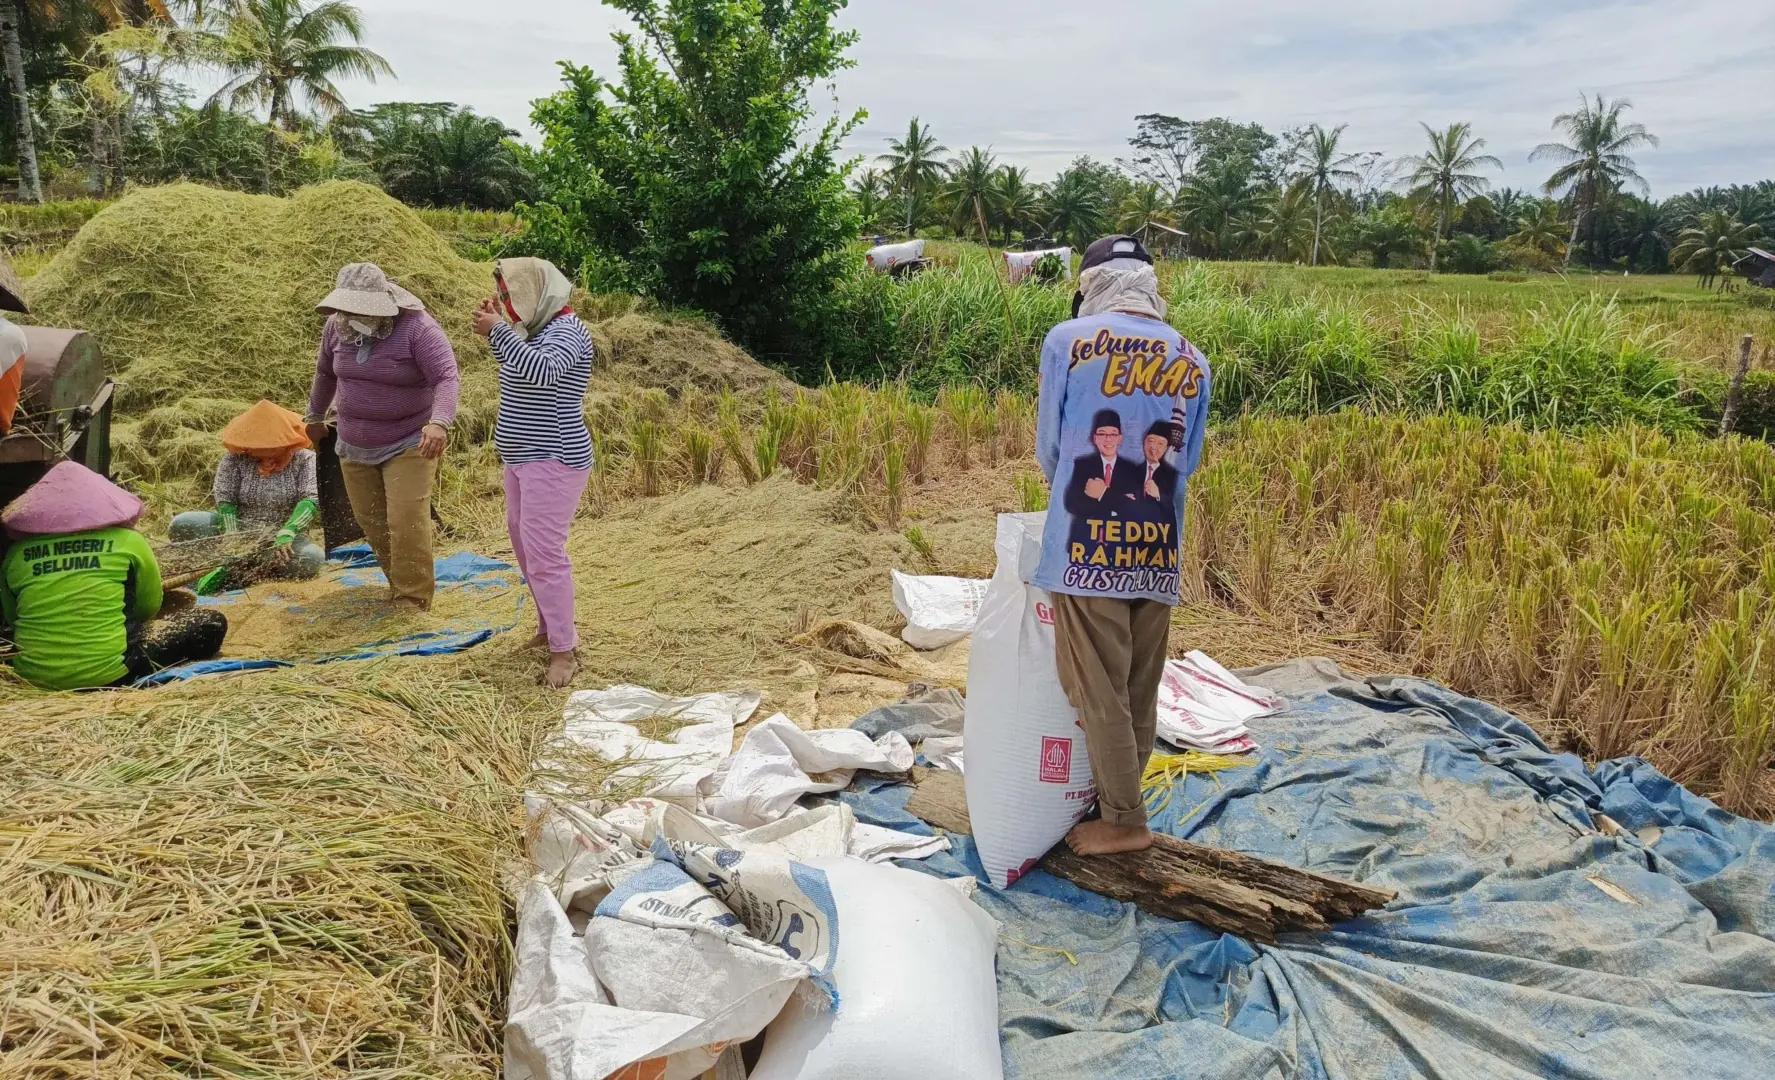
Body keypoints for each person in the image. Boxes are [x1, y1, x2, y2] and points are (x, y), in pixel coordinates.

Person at [1034, 234, 1211, 857]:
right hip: (1159, 538)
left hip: (1088, 542)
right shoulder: (1192, 356)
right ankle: (1121, 801)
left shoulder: (1067, 341)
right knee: (1139, 681)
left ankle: (1124, 822)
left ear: (1092, 283)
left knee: (1095, 685)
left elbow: (1052, 452)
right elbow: (1187, 458)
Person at [304, 263, 459, 611]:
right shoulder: (335, 328)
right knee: (371, 520)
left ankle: (413, 600)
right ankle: (397, 585)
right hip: (353, 442)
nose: (353, 314)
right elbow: (325, 373)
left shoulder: (418, 329)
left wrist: (439, 422)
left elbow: (447, 377)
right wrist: (314, 416)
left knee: (405, 519)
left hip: (409, 440)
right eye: (348, 309)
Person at [471, 257, 594, 689]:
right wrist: (500, 332)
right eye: (503, 296)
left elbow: (542, 373)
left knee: (545, 555)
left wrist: (498, 331)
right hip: (523, 458)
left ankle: (564, 651)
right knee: (526, 550)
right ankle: (547, 629)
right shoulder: (537, 332)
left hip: (553, 459)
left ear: (536, 294)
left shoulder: (566, 332)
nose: (507, 302)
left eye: (511, 295)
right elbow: (523, 366)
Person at [1, 461, 227, 689]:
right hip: (112, 672)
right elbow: (149, 606)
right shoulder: (129, 541)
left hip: (33, 677)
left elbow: (13, 618)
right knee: (211, 623)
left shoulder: (15, 555)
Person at [169, 400, 325, 588]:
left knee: (311, 558)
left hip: (278, 538)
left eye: (260, 444)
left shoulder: (305, 460)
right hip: (237, 530)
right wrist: (233, 537)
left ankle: (250, 565)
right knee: (183, 523)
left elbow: (310, 500)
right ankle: (232, 562)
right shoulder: (235, 459)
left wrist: (288, 531)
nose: (251, 448)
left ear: (281, 441)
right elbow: (226, 500)